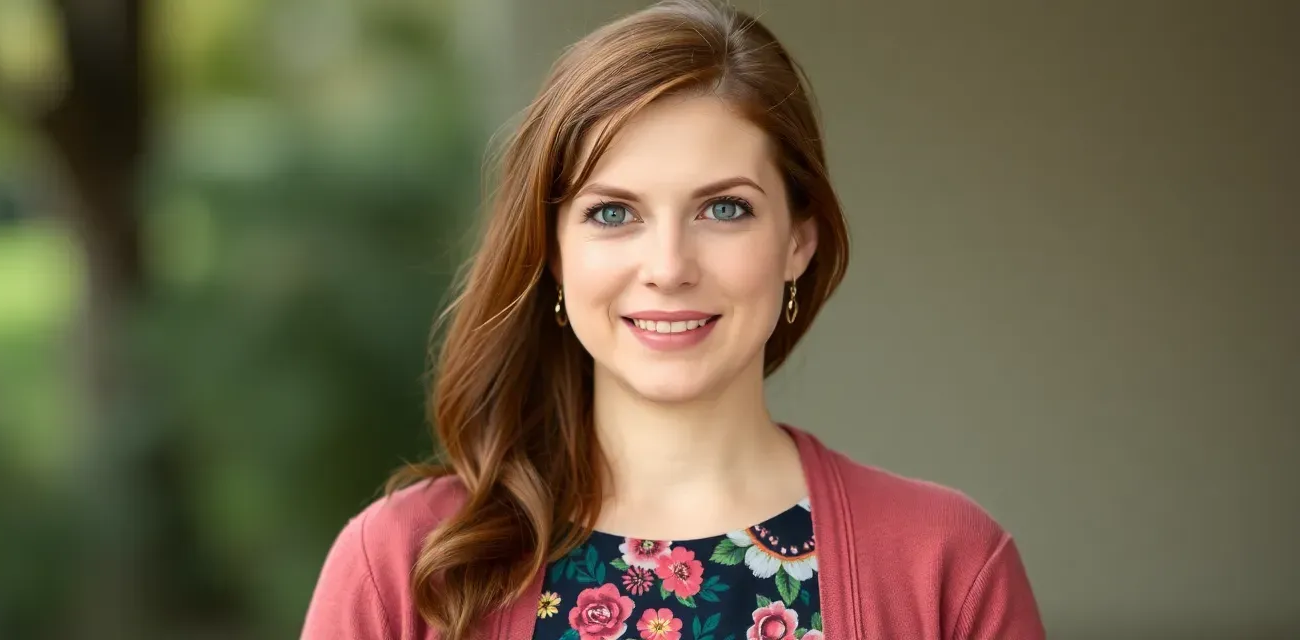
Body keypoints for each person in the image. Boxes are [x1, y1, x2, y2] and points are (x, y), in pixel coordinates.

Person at [301, 1, 1044, 638]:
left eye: (724, 209)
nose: (668, 265)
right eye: (613, 213)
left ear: (798, 242)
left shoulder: (949, 567)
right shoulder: (403, 567)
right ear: (553, 252)